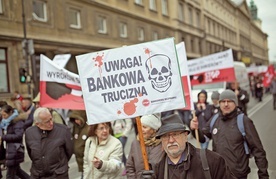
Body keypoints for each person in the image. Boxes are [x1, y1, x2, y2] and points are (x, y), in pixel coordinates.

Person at [190, 89, 269, 178]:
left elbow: (258, 151)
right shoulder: (214, 119)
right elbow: (203, 138)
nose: (226, 104)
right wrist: (194, 129)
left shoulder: (243, 121)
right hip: (219, 174)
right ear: (219, 103)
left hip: (238, 175)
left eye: (229, 101)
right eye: (223, 101)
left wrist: (263, 175)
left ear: (236, 103)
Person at [142, 113, 235, 179]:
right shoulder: (157, 169)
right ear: (161, 140)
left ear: (185, 135)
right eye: (166, 136)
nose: (171, 140)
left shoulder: (211, 160)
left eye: (175, 134)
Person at [25, 107, 73, 178]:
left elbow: (69, 151)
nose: (51, 123)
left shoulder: (63, 130)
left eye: (51, 119)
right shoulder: (30, 133)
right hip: (38, 175)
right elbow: (31, 153)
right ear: (38, 124)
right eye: (47, 122)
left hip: (58, 174)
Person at [126, 113, 163, 178]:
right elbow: (130, 167)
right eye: (140, 126)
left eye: (144, 127)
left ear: (154, 130)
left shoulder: (162, 144)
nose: (141, 129)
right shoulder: (135, 143)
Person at [0, 105, 30, 179]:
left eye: (5, 115)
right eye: (2, 115)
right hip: (10, 150)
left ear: (10, 112)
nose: (3, 117)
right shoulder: (5, 123)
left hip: (15, 150)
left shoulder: (17, 122)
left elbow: (19, 135)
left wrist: (3, 137)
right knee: (18, 172)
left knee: (10, 176)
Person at [69, 110, 89, 179]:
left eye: (78, 119)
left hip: (87, 160)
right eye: (75, 119)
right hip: (79, 159)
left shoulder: (88, 128)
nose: (76, 121)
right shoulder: (76, 127)